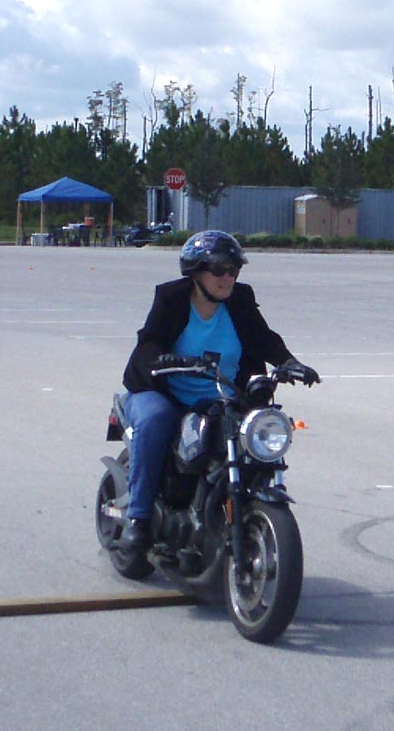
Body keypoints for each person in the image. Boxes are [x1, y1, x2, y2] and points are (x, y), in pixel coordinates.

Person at [117, 229, 318, 554]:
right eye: (219, 269)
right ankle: (138, 519)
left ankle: (238, 503)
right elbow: (149, 342)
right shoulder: (172, 299)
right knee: (155, 420)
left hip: (221, 397)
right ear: (196, 272)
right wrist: (163, 359)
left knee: (256, 429)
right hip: (165, 393)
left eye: (233, 270)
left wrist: (289, 362)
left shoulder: (239, 301)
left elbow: (263, 337)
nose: (228, 278)